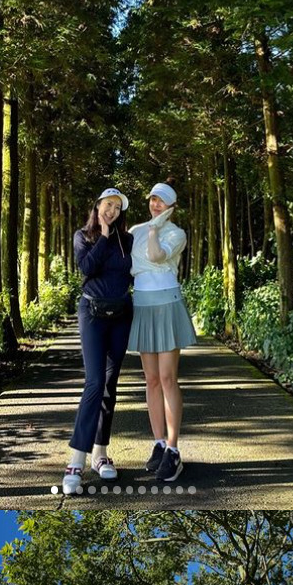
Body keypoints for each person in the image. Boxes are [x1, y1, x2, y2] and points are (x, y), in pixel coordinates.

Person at [62, 187, 133, 497]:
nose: (112, 211)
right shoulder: (83, 236)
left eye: (117, 207)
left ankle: (100, 453)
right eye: (108, 204)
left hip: (120, 315)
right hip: (91, 313)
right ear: (98, 205)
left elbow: (133, 273)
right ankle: (76, 461)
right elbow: (87, 268)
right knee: (93, 383)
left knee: (110, 384)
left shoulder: (127, 240)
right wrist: (103, 236)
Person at [128, 183, 197, 485]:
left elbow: (155, 257)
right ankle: (158, 443)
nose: (155, 205)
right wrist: (147, 230)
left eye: (162, 202)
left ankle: (173, 448)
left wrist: (155, 229)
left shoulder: (175, 233)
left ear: (171, 206)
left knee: (168, 378)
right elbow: (129, 265)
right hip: (142, 304)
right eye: (153, 200)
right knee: (151, 379)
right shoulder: (134, 230)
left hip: (167, 303)